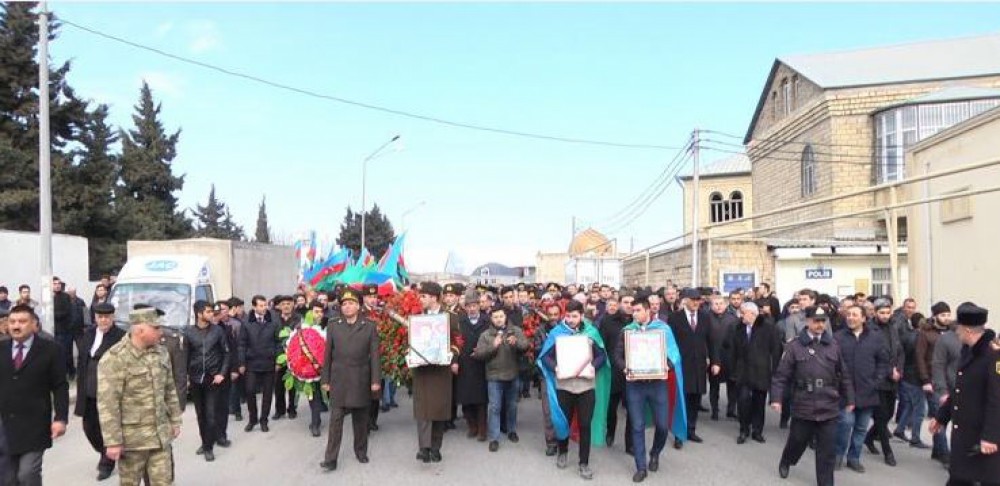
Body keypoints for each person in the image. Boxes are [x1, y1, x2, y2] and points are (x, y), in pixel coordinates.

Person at [98, 308, 183, 486]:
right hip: (132, 442)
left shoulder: (161, 353)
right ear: (140, 330)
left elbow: (169, 389)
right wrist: (113, 441)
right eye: (156, 328)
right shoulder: (115, 358)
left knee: (165, 482)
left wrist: (175, 420)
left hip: (160, 437)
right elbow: (108, 403)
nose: (161, 332)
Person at [770, 306, 854, 486]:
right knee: (797, 441)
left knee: (826, 451)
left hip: (828, 404)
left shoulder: (833, 345)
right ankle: (787, 460)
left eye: (823, 321)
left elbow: (844, 374)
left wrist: (850, 399)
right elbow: (781, 376)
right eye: (816, 321)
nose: (820, 325)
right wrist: (776, 399)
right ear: (807, 321)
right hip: (804, 404)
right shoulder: (794, 346)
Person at [614, 294, 686, 483]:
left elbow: (674, 354)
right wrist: (625, 368)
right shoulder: (627, 331)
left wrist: (666, 367)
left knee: (662, 425)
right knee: (637, 426)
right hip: (635, 385)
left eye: (638, 310)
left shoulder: (663, 329)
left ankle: (655, 453)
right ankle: (641, 467)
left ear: (648, 311)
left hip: (657, 384)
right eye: (633, 311)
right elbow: (617, 356)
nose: (634, 314)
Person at [537, 299, 611, 480]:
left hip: (586, 386)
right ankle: (562, 451)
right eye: (568, 316)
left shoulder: (591, 332)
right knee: (564, 422)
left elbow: (602, 356)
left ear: (582, 316)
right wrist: (555, 367)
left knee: (585, 425)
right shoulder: (557, 333)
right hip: (564, 386)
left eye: (575, 316)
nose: (570, 320)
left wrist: (594, 366)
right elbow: (545, 356)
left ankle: (583, 463)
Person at [928, 302, 1000, 486]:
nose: (956, 332)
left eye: (958, 328)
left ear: (967, 330)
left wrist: (991, 436)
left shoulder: (993, 357)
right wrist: (941, 416)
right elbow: (960, 390)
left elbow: (996, 400)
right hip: (965, 436)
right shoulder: (968, 352)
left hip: (983, 438)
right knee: (959, 479)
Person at [0, 305, 69, 486]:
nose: (16, 326)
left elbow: (60, 386)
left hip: (35, 425)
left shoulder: (50, 350)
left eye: (22, 321)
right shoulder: (1, 348)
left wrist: (60, 418)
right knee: (7, 479)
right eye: (12, 322)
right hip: (5, 425)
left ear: (33, 324)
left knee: (28, 473)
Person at [319, 288, 380, 471]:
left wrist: (375, 380)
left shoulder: (369, 326)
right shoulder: (333, 325)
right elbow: (327, 354)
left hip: (361, 378)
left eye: (351, 303)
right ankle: (330, 459)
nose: (347, 307)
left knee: (360, 420)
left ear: (358, 306)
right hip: (339, 379)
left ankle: (360, 451)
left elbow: (375, 356)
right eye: (344, 304)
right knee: (335, 421)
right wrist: (325, 379)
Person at [833, 305, 889, 473]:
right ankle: (838, 456)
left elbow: (883, 362)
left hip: (868, 391)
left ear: (863, 318)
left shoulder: (875, 338)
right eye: (849, 314)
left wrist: (876, 381)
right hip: (844, 393)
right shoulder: (838, 337)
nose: (851, 317)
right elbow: (832, 362)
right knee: (845, 424)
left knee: (861, 428)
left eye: (855, 315)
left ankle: (854, 458)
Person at [75, 302, 127, 481]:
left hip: (109, 391)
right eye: (100, 317)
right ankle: (105, 451)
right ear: (95, 318)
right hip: (88, 388)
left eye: (107, 317)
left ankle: (107, 462)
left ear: (112, 317)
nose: (103, 320)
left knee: (108, 427)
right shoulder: (88, 334)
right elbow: (82, 360)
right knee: (89, 427)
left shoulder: (121, 336)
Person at [411, 282, 460, 463]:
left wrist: (451, 355)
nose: (420, 299)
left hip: (441, 369)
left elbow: (458, 341)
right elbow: (411, 341)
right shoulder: (417, 317)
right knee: (423, 409)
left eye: (423, 296)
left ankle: (435, 447)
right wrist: (410, 352)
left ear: (433, 297)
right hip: (422, 370)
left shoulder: (450, 317)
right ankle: (424, 448)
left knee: (439, 409)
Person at [474, 306, 529, 451]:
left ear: (506, 317)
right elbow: (479, 354)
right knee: (495, 407)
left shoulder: (515, 330)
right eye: (495, 317)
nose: (499, 319)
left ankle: (511, 430)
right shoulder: (486, 335)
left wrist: (516, 343)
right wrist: (493, 346)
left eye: (501, 316)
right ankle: (494, 438)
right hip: (494, 376)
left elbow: (526, 346)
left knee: (512, 406)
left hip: (513, 374)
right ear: (491, 319)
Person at [668, 288, 716, 447]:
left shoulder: (705, 317)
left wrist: (715, 361)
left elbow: (711, 341)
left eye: (698, 300)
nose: (696, 303)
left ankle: (691, 430)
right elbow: (670, 342)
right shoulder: (675, 318)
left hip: (699, 365)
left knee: (695, 399)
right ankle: (678, 434)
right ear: (685, 300)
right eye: (693, 300)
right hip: (681, 365)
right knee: (681, 400)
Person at [183, 300, 230, 462]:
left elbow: (226, 353)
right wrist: (186, 377)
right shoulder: (189, 332)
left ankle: (209, 447)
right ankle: (205, 442)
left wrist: (221, 373)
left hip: (213, 378)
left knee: (210, 415)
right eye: (208, 312)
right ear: (199, 314)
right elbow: (185, 356)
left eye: (212, 311)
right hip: (196, 379)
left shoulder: (217, 331)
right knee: (200, 415)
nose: (212, 314)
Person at [730, 302, 783, 445]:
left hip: (761, 371)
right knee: (743, 401)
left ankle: (757, 431)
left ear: (753, 314)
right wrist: (733, 369)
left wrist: (774, 370)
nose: (740, 315)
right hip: (743, 372)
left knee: (759, 403)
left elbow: (776, 350)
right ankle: (744, 430)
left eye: (743, 313)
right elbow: (733, 350)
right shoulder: (738, 328)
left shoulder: (768, 328)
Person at [863, 298, 904, 466]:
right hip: (878, 378)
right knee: (881, 415)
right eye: (882, 313)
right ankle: (888, 452)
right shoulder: (869, 330)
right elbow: (872, 356)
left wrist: (898, 369)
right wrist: (889, 370)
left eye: (888, 312)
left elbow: (900, 352)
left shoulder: (893, 328)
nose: (885, 316)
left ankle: (869, 437)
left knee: (888, 414)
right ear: (875, 313)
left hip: (893, 379)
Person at [239, 295, 281, 433]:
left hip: (269, 362)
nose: (264, 308)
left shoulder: (273, 320)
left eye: (265, 305)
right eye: (261, 305)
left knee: (267, 393)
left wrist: (278, 360)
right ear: (254, 307)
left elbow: (278, 342)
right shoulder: (246, 322)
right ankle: (253, 419)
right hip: (251, 362)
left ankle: (264, 420)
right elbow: (242, 344)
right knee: (250, 390)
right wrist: (241, 362)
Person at [600, 294, 634, 451]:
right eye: (626, 302)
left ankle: (630, 443)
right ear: (619, 304)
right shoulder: (608, 321)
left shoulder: (638, 323)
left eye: (632, 302)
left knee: (633, 409)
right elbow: (602, 346)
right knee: (611, 407)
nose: (629, 305)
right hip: (613, 372)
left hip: (634, 372)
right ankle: (610, 431)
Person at [455, 289, 489, 441]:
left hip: (482, 364)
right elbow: (454, 342)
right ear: (465, 307)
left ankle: (482, 429)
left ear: (479, 305)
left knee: (481, 400)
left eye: (475, 305)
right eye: (469, 306)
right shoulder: (460, 321)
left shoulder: (487, 321)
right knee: (466, 398)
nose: (472, 309)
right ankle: (472, 426)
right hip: (465, 364)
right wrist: (455, 361)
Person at [709, 295, 740, 421]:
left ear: (726, 304)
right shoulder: (706, 318)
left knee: (732, 384)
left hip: (729, 356)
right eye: (716, 304)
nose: (719, 306)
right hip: (713, 355)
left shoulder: (733, 319)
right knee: (714, 385)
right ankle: (715, 410)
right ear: (711, 305)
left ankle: (731, 410)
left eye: (721, 303)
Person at [273, 295, 302, 421]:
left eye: (288, 303)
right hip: (279, 357)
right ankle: (279, 410)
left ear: (293, 305)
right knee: (278, 386)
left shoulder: (299, 319)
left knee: (292, 386)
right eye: (283, 304)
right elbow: (273, 340)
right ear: (279, 306)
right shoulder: (274, 320)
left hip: (294, 357)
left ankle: (292, 409)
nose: (286, 306)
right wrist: (277, 359)